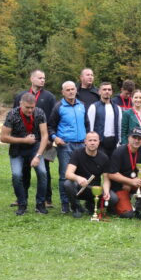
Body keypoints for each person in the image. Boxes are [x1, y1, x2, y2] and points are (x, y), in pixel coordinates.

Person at [0, 93, 49, 215]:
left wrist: (38, 156)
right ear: (21, 104)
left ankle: (40, 204)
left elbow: (44, 135)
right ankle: (22, 204)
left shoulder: (39, 113)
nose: (30, 110)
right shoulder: (12, 114)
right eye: (27, 107)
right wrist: (24, 140)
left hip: (35, 148)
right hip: (17, 148)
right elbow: (3, 137)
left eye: (32, 107)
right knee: (16, 175)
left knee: (42, 172)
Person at [13, 69, 56, 210]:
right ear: (32, 79)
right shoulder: (21, 96)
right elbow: (14, 117)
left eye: (44, 78)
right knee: (24, 169)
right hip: (23, 140)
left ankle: (46, 199)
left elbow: (53, 118)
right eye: (39, 78)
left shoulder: (49, 97)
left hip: (44, 140)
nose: (43, 80)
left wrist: (50, 137)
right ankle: (22, 198)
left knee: (44, 170)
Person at [48, 81, 89, 214]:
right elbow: (50, 126)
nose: (71, 92)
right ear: (63, 92)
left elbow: (87, 124)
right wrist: (55, 137)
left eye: (73, 89)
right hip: (65, 145)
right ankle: (65, 203)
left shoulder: (82, 105)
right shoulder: (58, 107)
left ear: (76, 90)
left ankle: (76, 202)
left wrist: (88, 138)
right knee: (64, 176)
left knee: (80, 175)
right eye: (68, 90)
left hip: (82, 145)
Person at [107, 128, 141, 219]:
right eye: (134, 137)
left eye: (139, 138)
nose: (136, 140)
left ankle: (140, 210)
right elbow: (112, 174)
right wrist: (129, 181)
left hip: (136, 184)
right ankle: (114, 206)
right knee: (127, 215)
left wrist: (137, 180)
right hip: (121, 187)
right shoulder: (119, 151)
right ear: (129, 138)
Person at [64, 132, 114, 218]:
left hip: (94, 190)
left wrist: (106, 191)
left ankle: (91, 205)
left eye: (95, 140)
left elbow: (106, 180)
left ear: (99, 142)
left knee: (113, 198)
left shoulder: (104, 157)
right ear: (85, 142)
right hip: (79, 187)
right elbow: (68, 174)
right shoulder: (77, 153)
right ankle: (76, 207)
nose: (92, 143)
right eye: (90, 140)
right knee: (68, 184)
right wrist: (78, 178)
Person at [87, 81, 121, 158]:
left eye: (109, 89)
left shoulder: (117, 108)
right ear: (99, 91)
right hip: (100, 143)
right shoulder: (93, 107)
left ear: (111, 92)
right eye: (104, 89)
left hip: (113, 143)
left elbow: (119, 127)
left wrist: (119, 142)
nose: (107, 91)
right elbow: (90, 128)